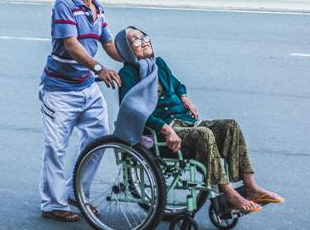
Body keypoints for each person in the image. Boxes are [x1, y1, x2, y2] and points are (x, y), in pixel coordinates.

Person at [116, 27, 284, 214]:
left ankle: (251, 187)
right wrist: (164, 128)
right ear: (126, 49)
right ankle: (228, 194)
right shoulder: (128, 74)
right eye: (136, 40)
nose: (144, 41)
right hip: (161, 133)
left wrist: (184, 98)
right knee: (204, 135)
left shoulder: (158, 64)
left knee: (230, 126)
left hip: (184, 122)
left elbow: (178, 85)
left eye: (144, 36)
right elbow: (133, 111)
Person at [39, 0, 123, 222]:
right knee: (56, 148)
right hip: (59, 90)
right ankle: (53, 203)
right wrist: (100, 68)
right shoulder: (64, 4)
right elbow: (71, 45)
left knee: (98, 140)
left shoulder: (97, 9)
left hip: (87, 88)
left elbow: (110, 45)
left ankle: (76, 192)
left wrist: (138, 58)